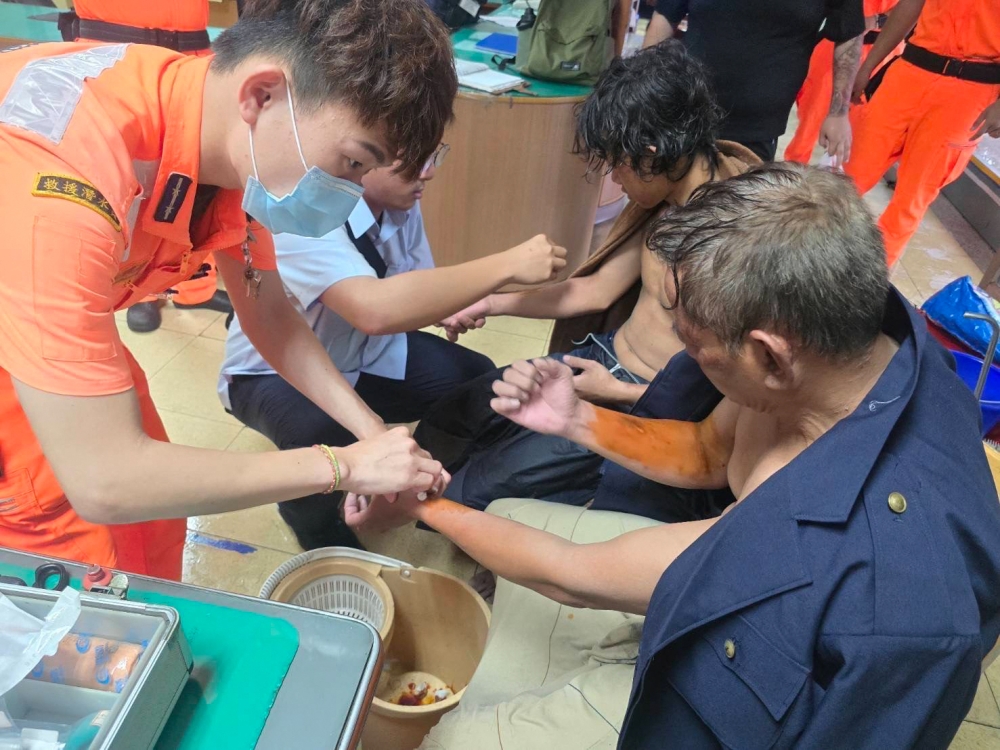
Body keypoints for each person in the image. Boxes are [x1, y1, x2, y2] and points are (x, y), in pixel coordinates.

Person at [348, 163, 1000, 748]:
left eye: (698, 347)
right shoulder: (849, 335)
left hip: (742, 694)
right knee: (518, 509)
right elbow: (711, 449)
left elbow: (569, 573)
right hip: (731, 578)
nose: (685, 361)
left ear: (770, 355)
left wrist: (425, 504)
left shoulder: (889, 598)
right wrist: (578, 418)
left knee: (452, 740)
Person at [0, 0, 455, 580]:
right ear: (263, 94)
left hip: (39, 307)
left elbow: (268, 311)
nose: (350, 191)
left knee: (152, 523)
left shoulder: (232, 135)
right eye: (350, 163)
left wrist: (374, 436)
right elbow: (104, 479)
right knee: (71, 560)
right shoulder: (61, 183)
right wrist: (342, 466)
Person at [418, 42, 755, 521]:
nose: (614, 178)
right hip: (599, 358)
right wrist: (490, 302)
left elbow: (730, 405)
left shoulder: (739, 244)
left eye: (617, 163)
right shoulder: (670, 202)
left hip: (645, 401)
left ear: (652, 153)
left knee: (480, 488)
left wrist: (618, 393)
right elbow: (593, 291)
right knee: (459, 413)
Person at [220, 149, 567, 550]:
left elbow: (413, 285)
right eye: (418, 157)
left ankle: (426, 484)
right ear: (365, 156)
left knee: (476, 379)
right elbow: (374, 309)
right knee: (320, 436)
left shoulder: (399, 205)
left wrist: (453, 306)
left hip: (364, 353)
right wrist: (506, 264)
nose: (430, 172)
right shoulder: (303, 216)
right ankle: (319, 533)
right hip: (270, 371)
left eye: (436, 154)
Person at [59, 0, 235, 333]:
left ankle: (194, 289)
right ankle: (141, 295)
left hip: (193, 59)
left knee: (200, 189)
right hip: (112, 54)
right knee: (129, 191)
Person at [844, 0, 1000, 267]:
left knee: (910, 202)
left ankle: (865, 282)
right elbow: (911, 4)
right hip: (908, 74)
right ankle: (809, 256)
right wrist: (869, 64)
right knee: (847, 178)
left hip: (970, 93)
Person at [643, 0, 865, 163]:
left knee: (733, 219)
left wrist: (839, 112)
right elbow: (665, 15)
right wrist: (643, 86)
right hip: (680, 112)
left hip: (756, 131)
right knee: (663, 216)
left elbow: (849, 33)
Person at [784, 0, 900, 165]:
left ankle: (840, 183)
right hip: (837, 45)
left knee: (863, 133)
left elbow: (916, 10)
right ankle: (792, 172)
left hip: (882, 52)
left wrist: (875, 20)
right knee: (810, 121)